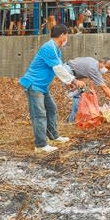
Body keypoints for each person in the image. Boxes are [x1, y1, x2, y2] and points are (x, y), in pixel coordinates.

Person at [19, 25, 86, 153]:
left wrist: (69, 82)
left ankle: (53, 136)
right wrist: (74, 80)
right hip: (34, 85)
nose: (67, 38)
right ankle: (41, 145)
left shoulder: (56, 49)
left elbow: (59, 67)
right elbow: (58, 69)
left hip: (42, 86)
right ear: (62, 35)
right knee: (39, 114)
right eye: (66, 35)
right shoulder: (49, 47)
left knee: (52, 109)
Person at [65, 57, 110, 122]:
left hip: (68, 69)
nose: (106, 70)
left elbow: (91, 78)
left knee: (79, 95)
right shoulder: (94, 69)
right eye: (107, 67)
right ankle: (71, 121)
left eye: (109, 69)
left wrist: (91, 90)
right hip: (68, 73)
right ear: (101, 63)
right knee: (78, 97)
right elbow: (104, 88)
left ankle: (71, 118)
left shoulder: (93, 61)